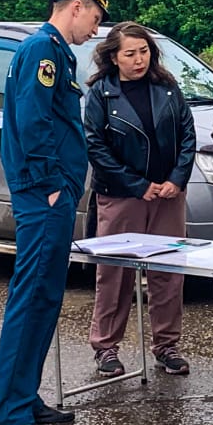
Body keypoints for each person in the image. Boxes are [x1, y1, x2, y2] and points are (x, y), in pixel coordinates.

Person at [0, 0, 110, 425]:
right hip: (45, 197)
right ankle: (8, 412)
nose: (96, 31)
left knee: (45, 298)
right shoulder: (43, 50)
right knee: (32, 296)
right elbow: (34, 121)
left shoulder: (53, 52)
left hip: (48, 195)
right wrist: (51, 187)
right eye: (95, 19)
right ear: (75, 8)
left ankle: (24, 395)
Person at [83, 21, 198, 378]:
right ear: (114, 58)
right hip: (122, 195)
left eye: (144, 51)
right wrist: (137, 184)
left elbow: (187, 135)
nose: (139, 60)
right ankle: (105, 347)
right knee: (114, 273)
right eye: (130, 54)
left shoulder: (167, 88)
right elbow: (95, 146)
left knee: (168, 272)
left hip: (167, 195)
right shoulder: (101, 93)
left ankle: (167, 346)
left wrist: (177, 179)